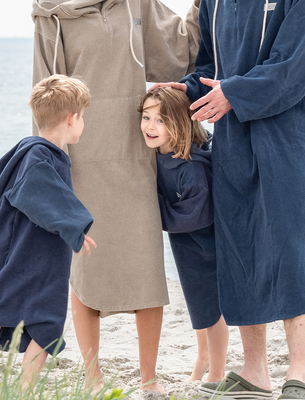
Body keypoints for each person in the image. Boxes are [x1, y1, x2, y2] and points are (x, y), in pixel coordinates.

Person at [31, 0, 201, 393]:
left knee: (145, 264)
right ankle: (93, 376)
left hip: (133, 152)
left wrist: (198, 6)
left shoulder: (135, 2)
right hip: (81, 158)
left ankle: (149, 379)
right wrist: (50, 165)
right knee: (86, 267)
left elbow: (177, 54)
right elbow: (45, 95)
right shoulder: (49, 12)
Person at [152, 0, 305, 398]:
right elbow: (211, 69)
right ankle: (255, 372)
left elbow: (293, 66)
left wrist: (234, 93)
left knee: (291, 251)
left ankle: (301, 371)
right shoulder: (216, 2)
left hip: (288, 133)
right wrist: (186, 88)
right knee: (240, 249)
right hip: (233, 141)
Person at [0, 75, 96, 392]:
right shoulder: (37, 156)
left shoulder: (45, 153)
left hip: (46, 258)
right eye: (83, 117)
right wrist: (74, 223)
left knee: (47, 325)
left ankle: (23, 390)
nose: (83, 124)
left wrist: (69, 229)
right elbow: (36, 192)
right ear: (72, 118)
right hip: (18, 256)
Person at [138, 87, 228, 383]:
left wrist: (154, 209)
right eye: (146, 117)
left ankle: (216, 373)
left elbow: (195, 213)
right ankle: (202, 358)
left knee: (211, 311)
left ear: (179, 123)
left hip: (206, 246)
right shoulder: (159, 155)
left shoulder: (192, 168)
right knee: (197, 306)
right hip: (186, 246)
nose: (150, 126)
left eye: (161, 120)